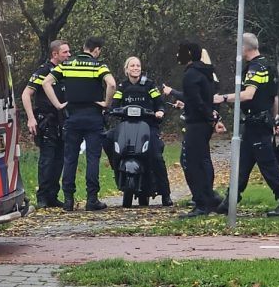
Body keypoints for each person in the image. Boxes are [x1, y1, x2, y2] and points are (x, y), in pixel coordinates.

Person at [216, 33, 279, 217]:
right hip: (259, 122)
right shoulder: (268, 66)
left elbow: (248, 95)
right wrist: (275, 118)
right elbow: (274, 97)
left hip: (257, 124)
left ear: (245, 48)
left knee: (268, 165)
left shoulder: (255, 68)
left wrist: (223, 98)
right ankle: (230, 200)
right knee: (242, 164)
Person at [42, 36, 116, 212]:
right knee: (92, 158)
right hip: (93, 117)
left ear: (83, 48)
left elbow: (46, 83)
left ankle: (68, 200)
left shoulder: (67, 65)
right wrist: (107, 103)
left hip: (72, 117)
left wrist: (58, 105)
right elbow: (111, 84)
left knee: (70, 159)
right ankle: (92, 199)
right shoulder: (99, 66)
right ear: (96, 50)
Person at [105, 57, 173, 207]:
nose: (135, 68)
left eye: (138, 65)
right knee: (108, 138)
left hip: (148, 127)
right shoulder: (122, 86)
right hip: (127, 127)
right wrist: (110, 111)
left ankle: (165, 193)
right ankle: (117, 167)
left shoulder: (149, 85)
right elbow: (115, 104)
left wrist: (160, 112)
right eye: (132, 66)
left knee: (156, 155)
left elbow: (159, 104)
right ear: (126, 69)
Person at [168, 42, 226, 218]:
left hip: (196, 124)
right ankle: (209, 198)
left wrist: (208, 116)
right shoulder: (206, 73)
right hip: (204, 124)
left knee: (190, 163)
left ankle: (201, 203)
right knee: (201, 160)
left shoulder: (191, 75)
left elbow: (196, 101)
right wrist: (212, 118)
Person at [22, 40, 72, 207]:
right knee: (47, 159)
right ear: (55, 54)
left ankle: (52, 195)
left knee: (59, 159)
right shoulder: (44, 71)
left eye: (69, 52)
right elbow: (26, 94)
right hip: (47, 120)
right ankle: (42, 197)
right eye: (65, 52)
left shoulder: (67, 71)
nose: (69, 55)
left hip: (63, 120)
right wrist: (31, 118)